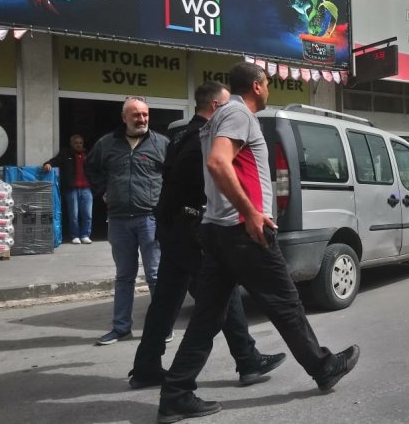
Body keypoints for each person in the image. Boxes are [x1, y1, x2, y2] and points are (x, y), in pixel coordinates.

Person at [158, 63, 359, 423]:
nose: (269, 90)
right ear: (256, 85)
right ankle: (324, 367)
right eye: (267, 84)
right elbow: (219, 163)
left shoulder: (218, 116)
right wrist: (250, 213)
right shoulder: (237, 113)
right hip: (242, 231)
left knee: (207, 317)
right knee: (286, 304)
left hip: (219, 231)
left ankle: (176, 393)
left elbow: (220, 165)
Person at [128, 81, 286, 390]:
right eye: (227, 106)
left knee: (167, 299)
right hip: (188, 229)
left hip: (173, 228)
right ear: (216, 107)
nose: (230, 111)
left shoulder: (182, 134)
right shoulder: (200, 138)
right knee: (220, 292)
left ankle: (146, 365)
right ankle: (247, 359)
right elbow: (208, 178)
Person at [86, 96, 168, 346]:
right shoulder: (106, 144)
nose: (141, 119)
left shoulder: (161, 144)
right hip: (119, 220)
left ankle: (161, 328)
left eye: (145, 114)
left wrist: (164, 204)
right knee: (124, 276)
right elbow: (91, 169)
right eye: (136, 115)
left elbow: (174, 176)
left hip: (150, 219)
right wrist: (103, 190)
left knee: (155, 275)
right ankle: (121, 328)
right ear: (124, 118)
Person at [43, 134, 93, 245]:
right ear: (71, 144)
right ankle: (75, 236)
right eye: (76, 143)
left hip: (86, 188)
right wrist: (48, 164)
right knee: (73, 214)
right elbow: (55, 160)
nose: (79, 145)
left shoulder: (88, 155)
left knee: (87, 214)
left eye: (80, 143)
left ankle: (85, 235)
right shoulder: (66, 154)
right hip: (72, 188)